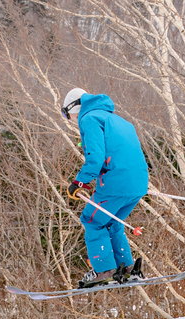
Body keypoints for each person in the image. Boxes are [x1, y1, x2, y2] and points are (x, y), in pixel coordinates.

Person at [61, 87, 149, 287]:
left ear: (74, 107)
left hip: (115, 183)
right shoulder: (119, 121)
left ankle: (104, 270)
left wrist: (79, 183)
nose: (70, 120)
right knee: (112, 222)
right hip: (138, 183)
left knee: (92, 221)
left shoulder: (89, 119)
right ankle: (126, 268)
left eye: (66, 114)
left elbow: (96, 157)